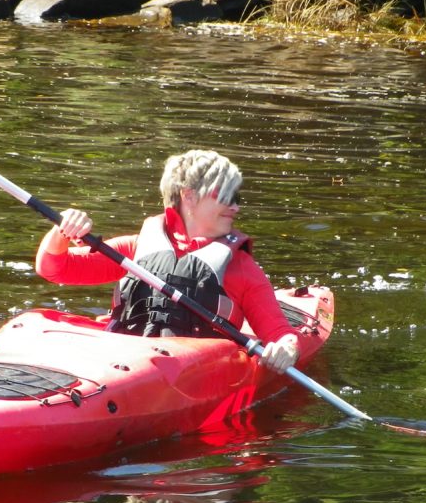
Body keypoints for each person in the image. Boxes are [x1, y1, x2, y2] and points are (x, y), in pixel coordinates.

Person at [35, 150, 299, 374]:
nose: (236, 207)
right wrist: (62, 231)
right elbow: (55, 269)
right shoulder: (135, 247)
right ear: (190, 196)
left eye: (237, 198)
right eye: (226, 196)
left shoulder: (240, 268)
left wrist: (286, 349)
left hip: (194, 374)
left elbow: (280, 333)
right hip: (121, 365)